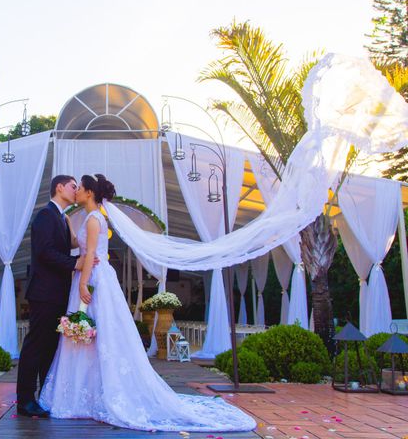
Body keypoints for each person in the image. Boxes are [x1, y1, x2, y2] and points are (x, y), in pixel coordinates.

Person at [39, 173, 256, 432]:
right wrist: (69, 226)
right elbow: (81, 244)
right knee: (92, 334)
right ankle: (87, 391)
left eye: (80, 188)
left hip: (92, 279)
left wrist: (84, 283)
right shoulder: (92, 218)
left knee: (96, 332)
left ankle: (90, 393)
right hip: (92, 276)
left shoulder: (95, 220)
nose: (77, 192)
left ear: (89, 193)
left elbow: (89, 257)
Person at [16, 174, 92, 417]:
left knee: (50, 347)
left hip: (58, 293)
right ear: (59, 188)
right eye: (72, 186)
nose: (76, 190)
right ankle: (25, 399)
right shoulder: (45, 216)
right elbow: (45, 253)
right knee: (35, 346)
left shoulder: (61, 218)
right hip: (44, 292)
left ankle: (44, 396)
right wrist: (76, 264)